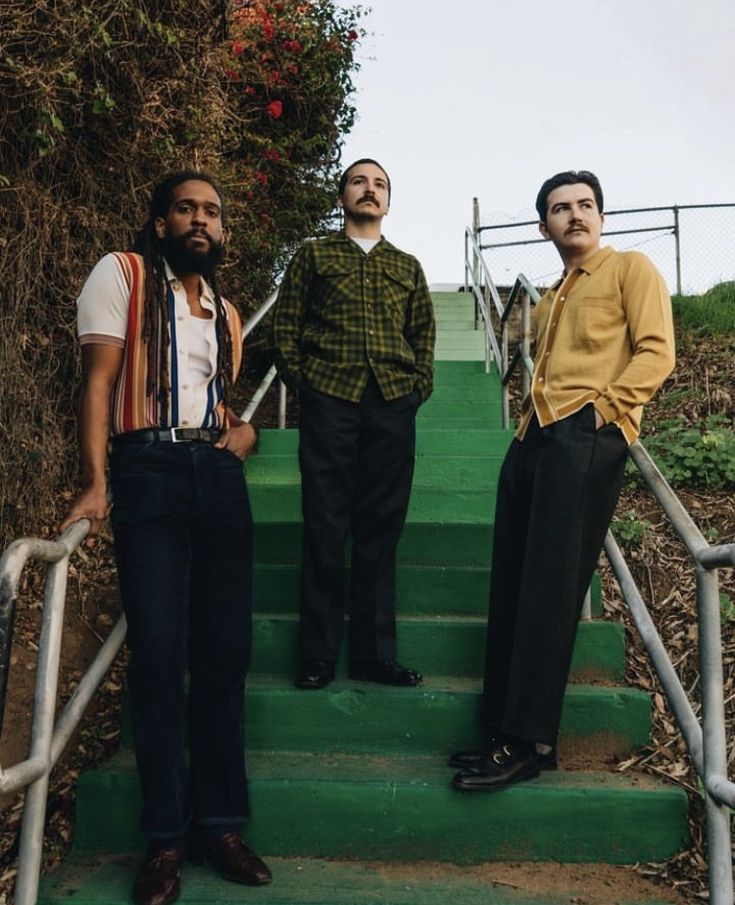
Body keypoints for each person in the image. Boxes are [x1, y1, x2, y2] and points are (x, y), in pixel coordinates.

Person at [60, 171, 271, 905]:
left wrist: (242, 433)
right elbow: (99, 381)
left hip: (214, 474)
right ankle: (165, 838)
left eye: (212, 211)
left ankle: (219, 823)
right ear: (159, 222)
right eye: (186, 209)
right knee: (158, 654)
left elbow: (217, 400)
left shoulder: (228, 313)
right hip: (145, 468)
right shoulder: (122, 274)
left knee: (224, 652)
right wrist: (95, 482)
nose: (200, 220)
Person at [450, 170, 676, 792]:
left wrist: (601, 414)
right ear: (543, 224)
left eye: (584, 205)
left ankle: (530, 742)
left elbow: (657, 352)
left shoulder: (630, 269)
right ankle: (499, 731)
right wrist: (532, 428)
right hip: (531, 442)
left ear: (600, 215)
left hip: (584, 438)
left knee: (551, 591)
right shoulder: (549, 297)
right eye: (559, 208)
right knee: (514, 588)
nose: (574, 215)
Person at [273, 158, 436, 690]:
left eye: (381, 184)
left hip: (392, 403)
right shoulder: (313, 255)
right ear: (342, 195)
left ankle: (374, 656)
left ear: (388, 201)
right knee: (324, 526)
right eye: (360, 181)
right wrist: (307, 385)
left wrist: (416, 390)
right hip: (331, 400)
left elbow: (423, 335)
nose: (371, 189)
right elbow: (287, 324)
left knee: (379, 530)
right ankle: (317, 656)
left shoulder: (407, 266)